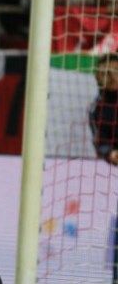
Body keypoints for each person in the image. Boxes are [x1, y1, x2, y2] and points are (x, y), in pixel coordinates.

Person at [88, 53, 118, 281]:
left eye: (113, 71)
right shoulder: (98, 108)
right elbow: (103, 147)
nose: (108, 77)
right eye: (103, 73)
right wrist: (111, 154)